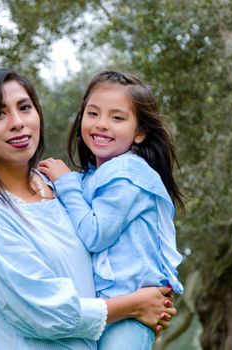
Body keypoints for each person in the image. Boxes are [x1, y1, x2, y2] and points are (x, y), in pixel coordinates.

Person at [0, 68, 176, 350]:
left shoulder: (59, 187)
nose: (17, 122)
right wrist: (135, 305)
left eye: (25, 107)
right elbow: (48, 314)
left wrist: (143, 316)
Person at [38, 71, 185, 349]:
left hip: (131, 312)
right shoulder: (94, 177)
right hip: (109, 309)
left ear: (140, 132)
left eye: (117, 118)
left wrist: (66, 183)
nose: (102, 125)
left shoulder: (129, 174)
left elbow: (95, 234)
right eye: (93, 114)